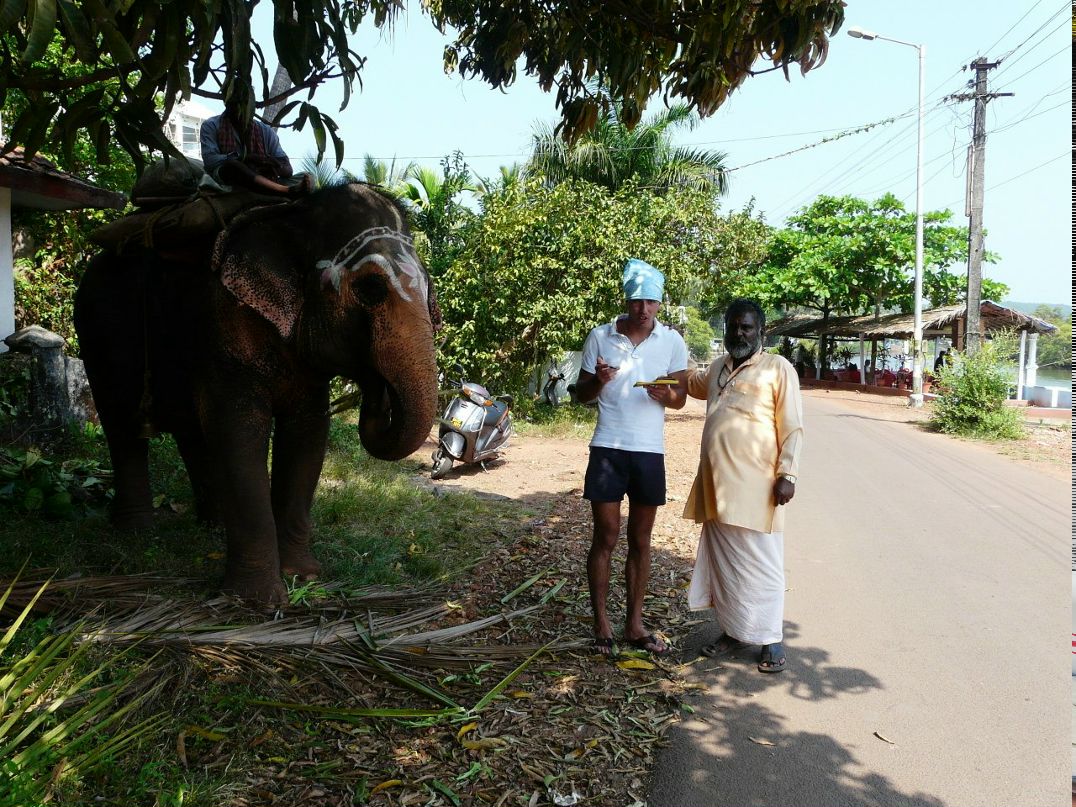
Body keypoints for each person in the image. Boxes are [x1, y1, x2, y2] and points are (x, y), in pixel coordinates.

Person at [575, 259, 690, 657]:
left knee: (642, 539)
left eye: (652, 302)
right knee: (605, 536)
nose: (644, 309)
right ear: (626, 299)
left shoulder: (672, 341)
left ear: (660, 304)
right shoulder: (600, 336)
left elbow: (681, 399)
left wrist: (667, 395)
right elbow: (580, 394)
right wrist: (597, 381)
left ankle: (634, 623)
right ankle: (601, 621)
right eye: (638, 300)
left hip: (648, 451)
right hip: (608, 446)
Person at [682, 298, 804, 673]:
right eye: (734, 326)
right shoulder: (718, 366)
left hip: (757, 489)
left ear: (761, 332)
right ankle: (733, 632)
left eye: (747, 327)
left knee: (762, 566)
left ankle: (770, 639)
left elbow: (793, 425)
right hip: (716, 488)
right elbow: (691, 382)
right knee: (726, 568)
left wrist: (788, 474)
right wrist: (667, 349)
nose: (738, 333)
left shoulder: (777, 368)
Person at [200, 104, 311, 197]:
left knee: (309, 177)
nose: (242, 106)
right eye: (237, 101)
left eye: (247, 102)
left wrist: (271, 165)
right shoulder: (211, 125)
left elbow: (288, 169)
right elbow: (210, 161)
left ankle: (273, 187)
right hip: (228, 180)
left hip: (266, 179)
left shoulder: (265, 131)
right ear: (227, 103)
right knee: (233, 166)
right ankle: (285, 191)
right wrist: (245, 158)